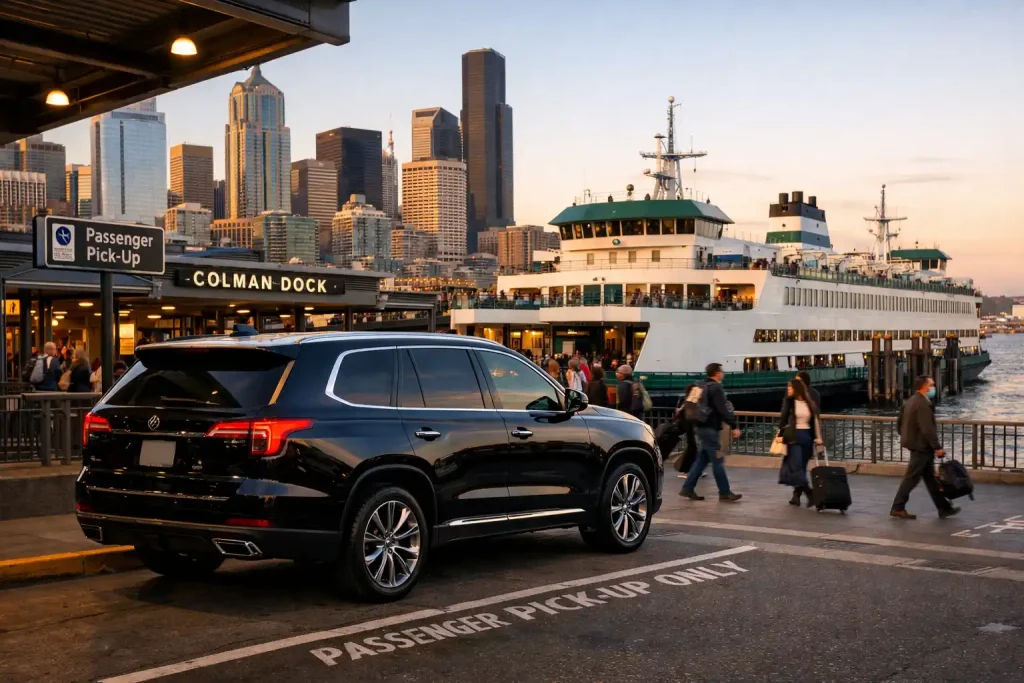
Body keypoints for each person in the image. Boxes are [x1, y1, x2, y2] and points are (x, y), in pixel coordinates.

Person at [890, 376, 959, 520]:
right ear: (924, 387)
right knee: (911, 478)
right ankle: (898, 507)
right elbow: (927, 429)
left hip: (916, 444)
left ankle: (944, 508)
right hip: (921, 446)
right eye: (932, 385)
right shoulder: (922, 404)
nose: (934, 387)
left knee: (930, 479)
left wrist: (907, 437)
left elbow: (899, 423)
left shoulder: (910, 401)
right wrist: (937, 447)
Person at [680, 363, 743, 502]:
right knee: (718, 460)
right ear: (717, 373)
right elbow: (723, 409)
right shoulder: (716, 388)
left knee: (702, 460)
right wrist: (734, 426)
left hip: (699, 426)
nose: (723, 373)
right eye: (721, 371)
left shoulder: (701, 386)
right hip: (711, 429)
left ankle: (688, 488)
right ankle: (724, 492)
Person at [775, 379, 823, 507]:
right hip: (793, 437)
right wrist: (779, 435)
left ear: (796, 388)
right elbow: (783, 419)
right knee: (796, 467)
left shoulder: (809, 403)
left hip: (807, 437)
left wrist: (818, 438)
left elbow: (815, 421)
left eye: (790, 388)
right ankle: (810, 494)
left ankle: (797, 497)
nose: (788, 390)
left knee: (801, 468)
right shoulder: (789, 402)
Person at [674, 384, 701, 478]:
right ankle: (685, 470)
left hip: (689, 426)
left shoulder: (686, 400)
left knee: (693, 448)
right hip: (689, 426)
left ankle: (694, 470)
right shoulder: (689, 401)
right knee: (692, 447)